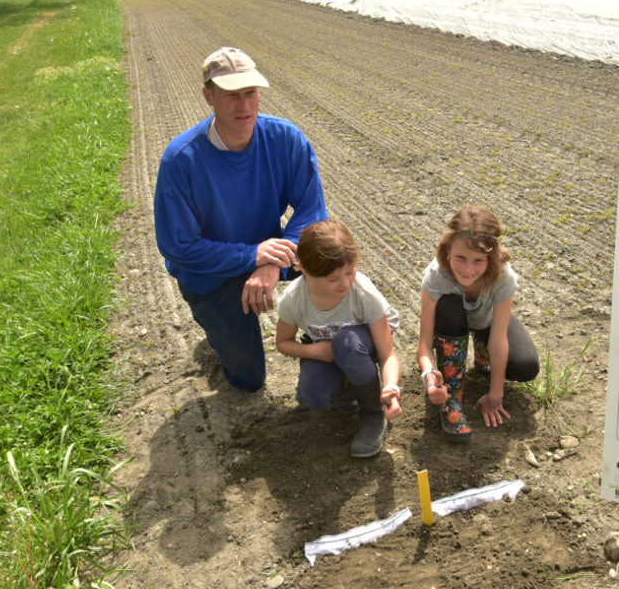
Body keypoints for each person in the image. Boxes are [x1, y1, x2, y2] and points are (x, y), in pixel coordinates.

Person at [154, 46, 327, 391]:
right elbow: (179, 247)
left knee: (329, 255)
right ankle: (218, 329)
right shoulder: (181, 160)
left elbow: (312, 211)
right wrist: (251, 256)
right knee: (249, 380)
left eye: (250, 93)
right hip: (211, 273)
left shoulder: (285, 139)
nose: (244, 105)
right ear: (209, 96)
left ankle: (329, 346)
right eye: (232, 95)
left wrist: (272, 263)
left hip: (268, 252)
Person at [275, 220, 402, 458]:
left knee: (347, 344)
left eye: (349, 272)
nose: (344, 284)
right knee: (313, 396)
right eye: (333, 279)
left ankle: (373, 414)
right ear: (304, 270)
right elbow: (283, 343)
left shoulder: (362, 293)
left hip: (363, 345)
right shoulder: (294, 299)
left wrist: (391, 388)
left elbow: (387, 354)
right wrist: (314, 351)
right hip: (326, 350)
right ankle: (349, 388)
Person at [415, 206, 539, 442]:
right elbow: (424, 345)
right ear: (448, 249)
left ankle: (484, 356)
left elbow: (499, 340)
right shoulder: (436, 275)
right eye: (460, 258)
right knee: (449, 307)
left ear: (490, 258)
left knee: (526, 366)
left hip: (488, 323)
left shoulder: (503, 275)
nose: (468, 269)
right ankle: (451, 397)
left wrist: (495, 396)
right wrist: (429, 376)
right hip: (450, 325)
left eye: (478, 261)